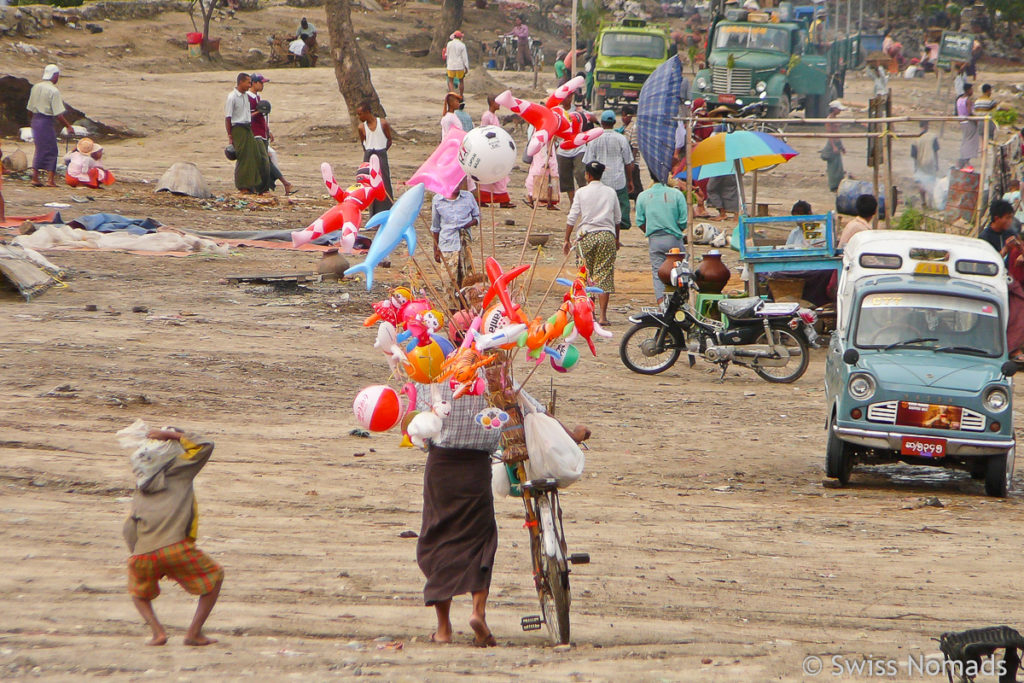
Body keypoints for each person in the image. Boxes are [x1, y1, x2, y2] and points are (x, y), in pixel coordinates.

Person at [124, 427, 223, 647]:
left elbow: (129, 528)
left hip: (142, 554)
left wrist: (139, 552)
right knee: (215, 576)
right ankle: (194, 633)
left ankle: (158, 633)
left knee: (138, 593)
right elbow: (206, 445)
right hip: (176, 547)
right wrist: (174, 435)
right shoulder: (180, 470)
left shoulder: (141, 486)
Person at [564, 161, 620, 325]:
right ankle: (603, 316)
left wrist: (566, 239)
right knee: (604, 275)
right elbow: (617, 219)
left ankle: (590, 314)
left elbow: (572, 217)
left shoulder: (581, 192)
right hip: (606, 235)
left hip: (585, 236)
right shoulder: (610, 192)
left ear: (587, 175)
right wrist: (617, 239)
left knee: (585, 275)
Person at [636, 172, 688, 303]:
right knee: (679, 272)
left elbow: (640, 221)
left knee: (658, 273)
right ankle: (680, 303)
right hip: (674, 239)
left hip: (655, 240)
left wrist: (650, 231)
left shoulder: (643, 196)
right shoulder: (677, 194)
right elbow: (683, 222)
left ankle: (661, 305)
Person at [583, 110, 635, 230]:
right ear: (614, 122)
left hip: (600, 179)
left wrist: (589, 181)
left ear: (601, 122)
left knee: (601, 205)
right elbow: (628, 162)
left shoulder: (594, 140)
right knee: (621, 206)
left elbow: (589, 162)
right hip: (618, 180)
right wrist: (630, 180)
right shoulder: (621, 139)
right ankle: (621, 224)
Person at [27, 64, 74, 188]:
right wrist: (68, 126)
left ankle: (35, 177)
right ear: (55, 76)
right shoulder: (53, 91)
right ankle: (50, 180)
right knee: (52, 149)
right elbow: (58, 114)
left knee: (39, 149)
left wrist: (33, 121)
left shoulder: (36, 87)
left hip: (35, 121)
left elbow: (30, 109)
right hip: (46, 121)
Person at [225, 72, 271, 194]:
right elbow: (228, 118)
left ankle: (253, 185)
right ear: (240, 82)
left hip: (247, 128)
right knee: (243, 157)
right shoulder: (232, 97)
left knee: (254, 155)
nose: (249, 85)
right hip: (238, 128)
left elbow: (247, 115)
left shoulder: (245, 96)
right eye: (248, 82)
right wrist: (230, 136)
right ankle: (242, 186)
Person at [248, 74, 294, 195]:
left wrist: (268, 130)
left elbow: (262, 117)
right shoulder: (248, 97)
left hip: (262, 133)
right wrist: (259, 112)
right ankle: (271, 186)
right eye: (261, 83)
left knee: (266, 160)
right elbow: (247, 116)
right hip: (255, 134)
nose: (263, 85)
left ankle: (270, 185)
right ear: (254, 83)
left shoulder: (257, 97)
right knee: (265, 160)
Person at [431, 184, 479, 287]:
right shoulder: (438, 200)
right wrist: (436, 249)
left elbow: (477, 216)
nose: (456, 186)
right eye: (453, 183)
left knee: (467, 279)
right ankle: (451, 303)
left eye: (458, 183)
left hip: (464, 244)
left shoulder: (468, 197)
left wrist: (469, 224)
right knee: (449, 280)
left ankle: (465, 303)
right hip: (447, 243)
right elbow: (436, 227)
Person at [356, 100, 394, 215]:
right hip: (369, 155)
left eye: (360, 114)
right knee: (370, 184)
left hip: (381, 154)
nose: (359, 117)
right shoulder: (361, 127)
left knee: (384, 183)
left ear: (367, 112)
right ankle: (373, 213)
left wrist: (381, 152)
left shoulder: (382, 123)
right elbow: (364, 143)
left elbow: (389, 140)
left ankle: (387, 211)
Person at [478, 96, 514, 208]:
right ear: (492, 103)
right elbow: (484, 132)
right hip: (490, 149)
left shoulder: (494, 116)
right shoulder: (486, 116)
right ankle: (492, 199)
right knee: (494, 173)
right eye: (497, 103)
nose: (499, 105)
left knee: (498, 174)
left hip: (497, 148)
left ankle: (501, 199)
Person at [555, 100, 589, 204]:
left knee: (581, 173)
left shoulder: (579, 112)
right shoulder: (558, 114)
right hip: (563, 150)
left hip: (579, 148)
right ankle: (572, 202)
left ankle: (584, 201)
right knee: (565, 178)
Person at [525, 132, 559, 209]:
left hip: (539, 156)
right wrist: (546, 160)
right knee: (549, 179)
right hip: (545, 157)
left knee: (535, 177)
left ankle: (531, 198)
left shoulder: (537, 130)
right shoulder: (547, 131)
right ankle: (549, 202)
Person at [910, 120, 940, 206]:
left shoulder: (916, 139)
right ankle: (930, 202)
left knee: (921, 182)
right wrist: (937, 164)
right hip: (930, 162)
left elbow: (914, 156)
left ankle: (923, 202)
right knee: (931, 182)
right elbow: (935, 152)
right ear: (927, 125)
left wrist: (915, 167)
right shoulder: (933, 137)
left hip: (920, 163)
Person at [822, 100, 847, 193]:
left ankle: (838, 183)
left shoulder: (835, 119)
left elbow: (837, 133)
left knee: (839, 166)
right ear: (834, 109)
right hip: (832, 144)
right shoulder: (829, 120)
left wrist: (841, 146)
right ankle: (833, 185)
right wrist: (834, 146)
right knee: (833, 166)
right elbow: (829, 134)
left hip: (837, 143)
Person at [956, 82, 979, 168]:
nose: (972, 91)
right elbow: (969, 112)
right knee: (970, 141)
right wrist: (976, 119)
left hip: (962, 122)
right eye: (971, 89)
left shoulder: (959, 99)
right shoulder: (968, 100)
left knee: (965, 140)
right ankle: (966, 160)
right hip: (968, 122)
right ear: (968, 90)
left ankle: (963, 159)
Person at [444, 31, 469, 97]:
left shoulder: (449, 44)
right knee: (461, 81)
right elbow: (464, 57)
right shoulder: (462, 45)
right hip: (459, 66)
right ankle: (461, 95)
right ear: (460, 37)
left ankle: (452, 95)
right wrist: (466, 67)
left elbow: (447, 55)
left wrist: (447, 64)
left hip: (451, 65)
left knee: (450, 81)